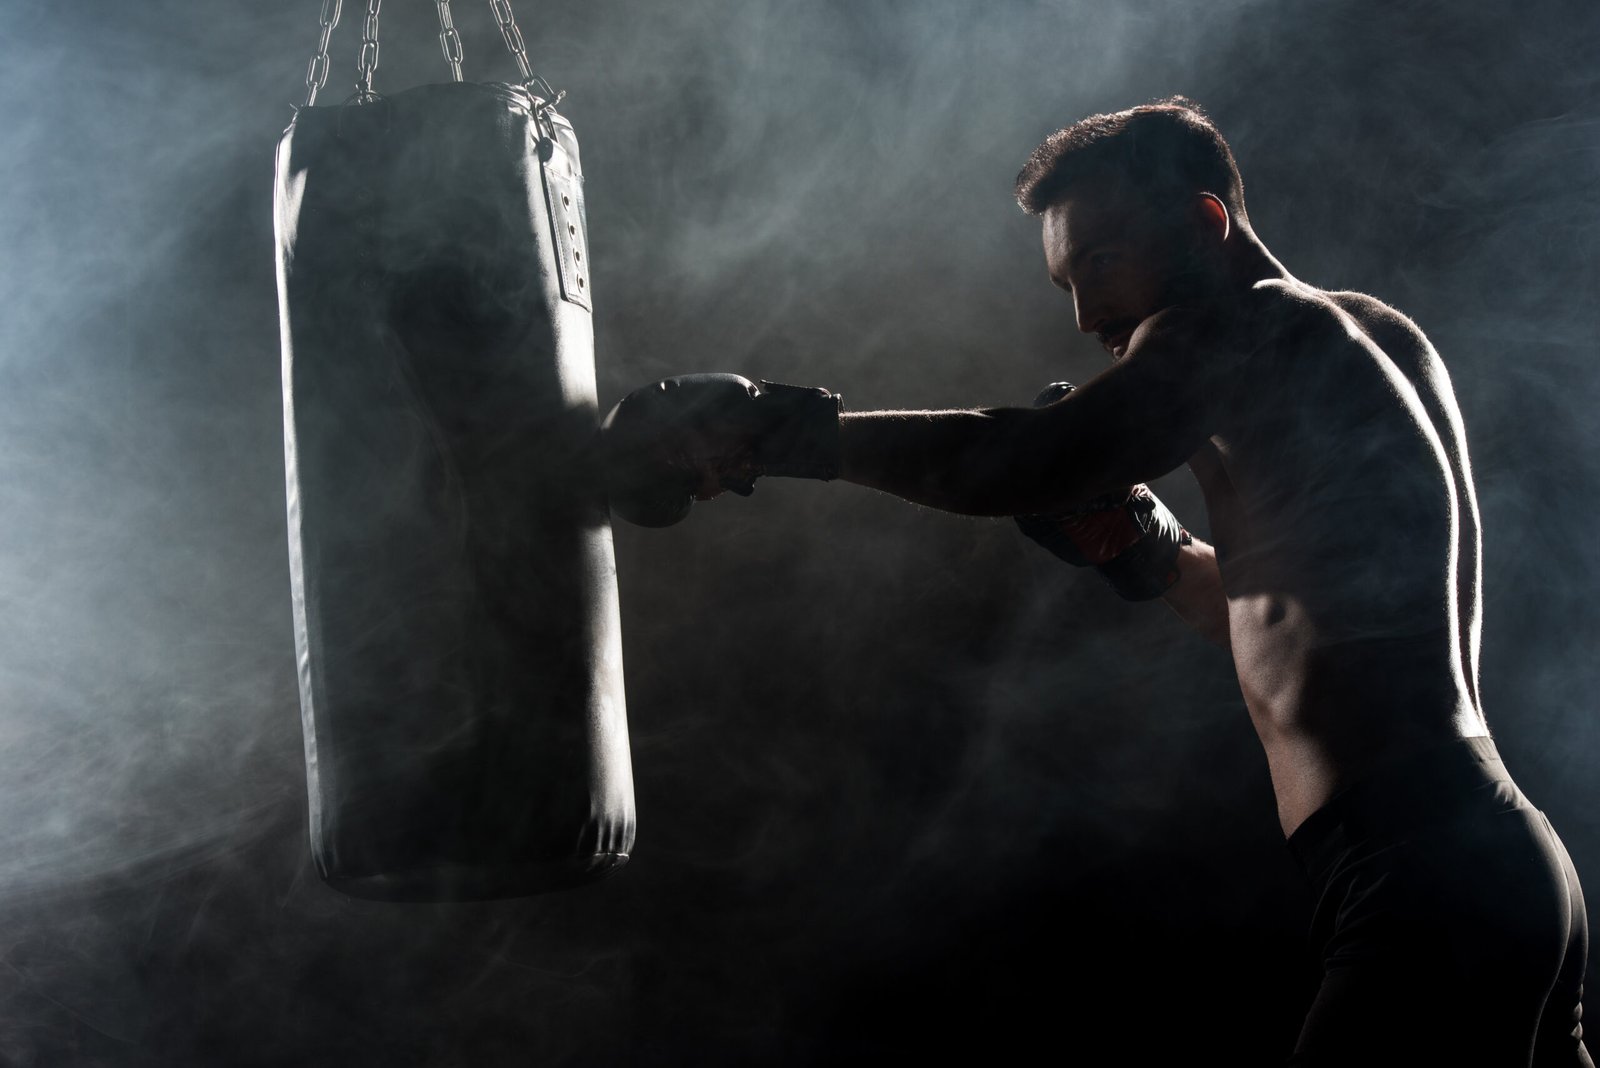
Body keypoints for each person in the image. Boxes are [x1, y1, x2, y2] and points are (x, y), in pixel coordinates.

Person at [600, 97, 1591, 1065]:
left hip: (1420, 872)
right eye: (1065, 286)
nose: (1083, 317)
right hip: (1488, 862)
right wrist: (1150, 556)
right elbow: (1303, 617)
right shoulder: (1369, 339)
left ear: (1207, 224)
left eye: (1100, 264)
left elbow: (1027, 457)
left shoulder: (1247, 325)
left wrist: (772, 432)